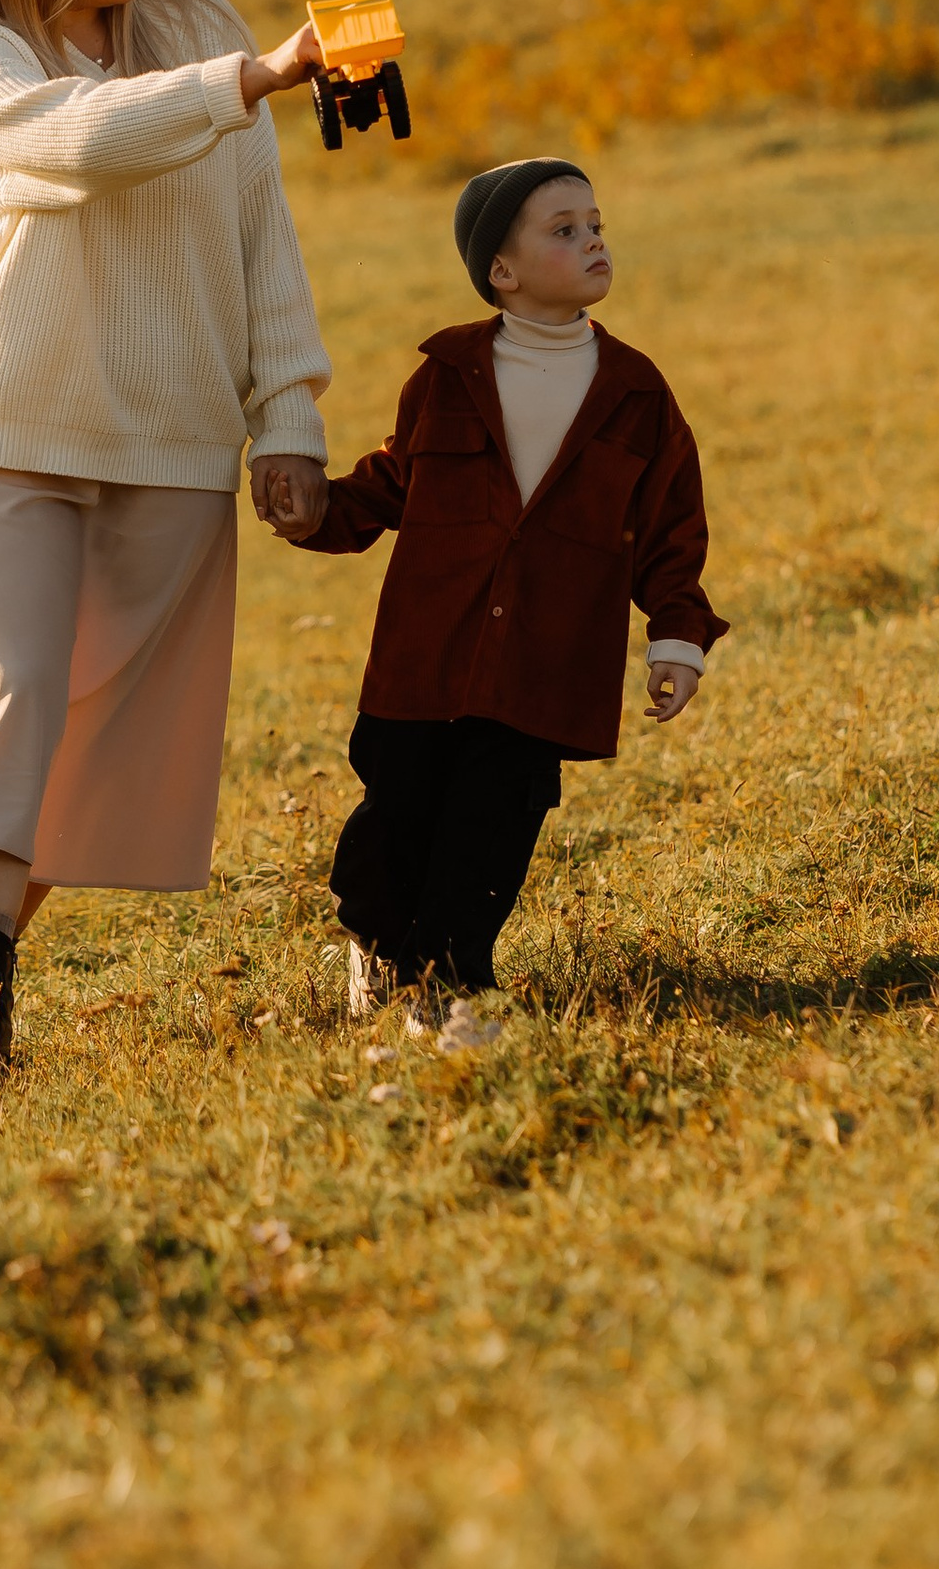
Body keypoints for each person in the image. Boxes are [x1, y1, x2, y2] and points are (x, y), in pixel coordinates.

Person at [0, 0, 333, 1099]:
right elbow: (67, 144)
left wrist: (289, 413)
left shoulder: (193, 23)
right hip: (4, 423)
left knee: (86, 746)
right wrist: (252, 82)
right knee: (3, 697)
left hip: (172, 437)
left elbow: (259, 229)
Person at [278, 158, 725, 1012]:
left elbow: (671, 529)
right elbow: (390, 483)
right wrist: (315, 514)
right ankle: (378, 944)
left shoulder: (637, 394)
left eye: (595, 224)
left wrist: (677, 636)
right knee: (392, 826)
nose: (592, 239)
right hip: (424, 661)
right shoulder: (446, 374)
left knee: (489, 834)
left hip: (543, 668)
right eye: (564, 229)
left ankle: (449, 989)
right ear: (503, 272)